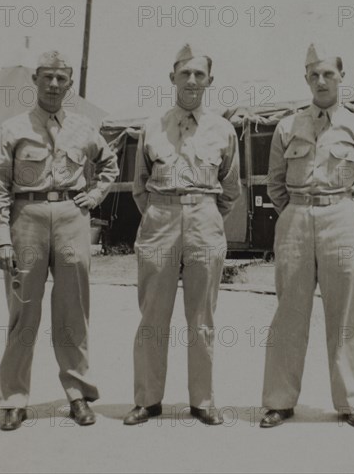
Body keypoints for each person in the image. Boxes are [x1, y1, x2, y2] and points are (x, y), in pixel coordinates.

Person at [0, 50, 119, 431]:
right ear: (36, 80)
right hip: (25, 218)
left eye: (62, 78)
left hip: (73, 219)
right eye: (47, 77)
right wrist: (1, 240)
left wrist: (93, 197)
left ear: (70, 83)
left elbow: (109, 164)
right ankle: (13, 398)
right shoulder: (13, 128)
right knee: (22, 311)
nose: (54, 85)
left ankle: (78, 394)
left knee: (73, 310)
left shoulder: (83, 128)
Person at [260, 43, 354, 428]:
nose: (321, 80)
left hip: (342, 215)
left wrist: (343, 216)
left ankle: (351, 401)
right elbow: (275, 184)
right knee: (289, 313)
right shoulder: (287, 126)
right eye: (313, 73)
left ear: (341, 76)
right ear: (306, 78)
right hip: (295, 216)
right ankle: (279, 401)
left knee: (344, 314)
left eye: (328, 73)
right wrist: (299, 213)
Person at [123, 44, 241, 426]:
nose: (192, 81)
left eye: (200, 75)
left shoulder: (223, 129)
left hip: (205, 219)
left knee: (202, 316)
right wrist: (163, 214)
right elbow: (139, 184)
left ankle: (202, 400)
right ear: (172, 77)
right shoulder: (151, 125)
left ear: (210, 81)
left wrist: (201, 213)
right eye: (185, 73)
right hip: (160, 218)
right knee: (152, 315)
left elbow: (231, 189)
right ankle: (147, 399)